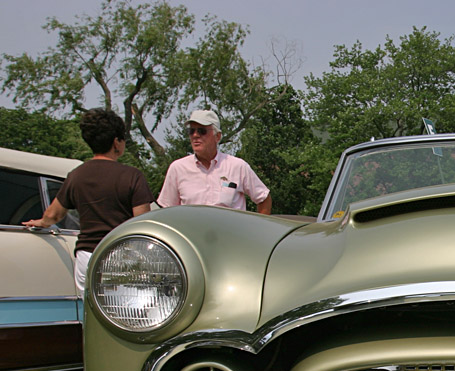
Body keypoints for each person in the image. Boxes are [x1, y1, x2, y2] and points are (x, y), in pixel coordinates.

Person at [23, 108, 154, 294]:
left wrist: (40, 222)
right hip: (123, 256)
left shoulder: (76, 175)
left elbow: (53, 214)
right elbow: (142, 223)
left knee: (93, 316)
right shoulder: (132, 176)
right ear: (116, 142)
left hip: (87, 256)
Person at [157, 110, 271, 214]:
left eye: (202, 131)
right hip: (191, 236)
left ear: (217, 136)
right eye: (191, 131)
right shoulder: (177, 168)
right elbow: (166, 210)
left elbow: (264, 198)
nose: (195, 135)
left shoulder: (237, 166)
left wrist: (255, 232)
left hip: (231, 235)